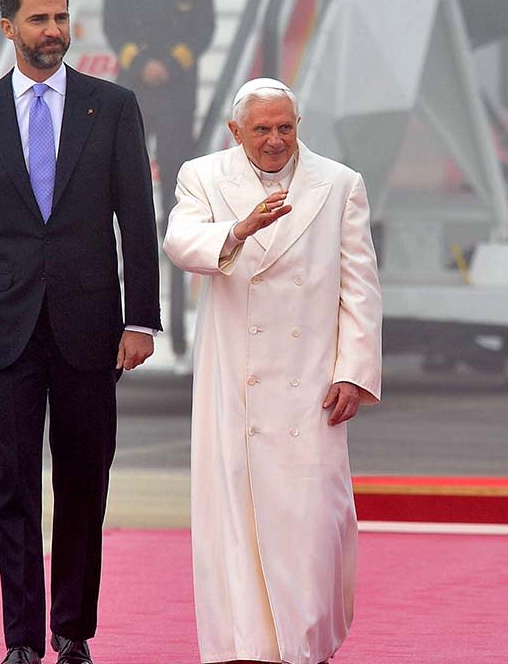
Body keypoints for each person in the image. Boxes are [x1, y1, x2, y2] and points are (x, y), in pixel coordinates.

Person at [0, 0, 161, 664]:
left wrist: (142, 320)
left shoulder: (113, 106)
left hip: (90, 326)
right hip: (4, 326)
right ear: (9, 28)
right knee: (14, 488)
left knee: (83, 481)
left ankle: (72, 634)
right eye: (39, 20)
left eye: (62, 18)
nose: (54, 32)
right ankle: (20, 642)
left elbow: (138, 220)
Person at [163, 77, 382, 664]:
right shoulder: (203, 176)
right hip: (234, 378)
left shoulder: (338, 184)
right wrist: (238, 230)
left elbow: (360, 286)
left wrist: (355, 370)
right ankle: (246, 649)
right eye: (261, 129)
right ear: (237, 132)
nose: (275, 140)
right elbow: (181, 242)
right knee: (233, 515)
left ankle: (309, 644)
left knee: (314, 519)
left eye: (285, 127)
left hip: (311, 379)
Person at [103, 0, 215, 358]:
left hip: (176, 97)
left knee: (178, 198)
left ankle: (180, 321)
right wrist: (139, 63)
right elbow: (113, 27)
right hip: (132, 95)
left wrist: (169, 64)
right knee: (122, 191)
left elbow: (204, 31)